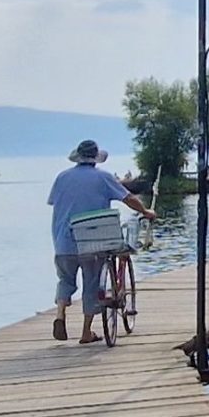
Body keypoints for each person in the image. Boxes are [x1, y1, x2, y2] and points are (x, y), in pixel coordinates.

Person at [48, 139, 153, 345]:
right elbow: (128, 198)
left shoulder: (61, 177)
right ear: (96, 159)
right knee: (92, 284)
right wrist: (145, 211)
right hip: (91, 243)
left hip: (64, 242)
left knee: (65, 280)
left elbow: (54, 202)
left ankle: (60, 315)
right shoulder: (103, 178)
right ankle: (86, 332)